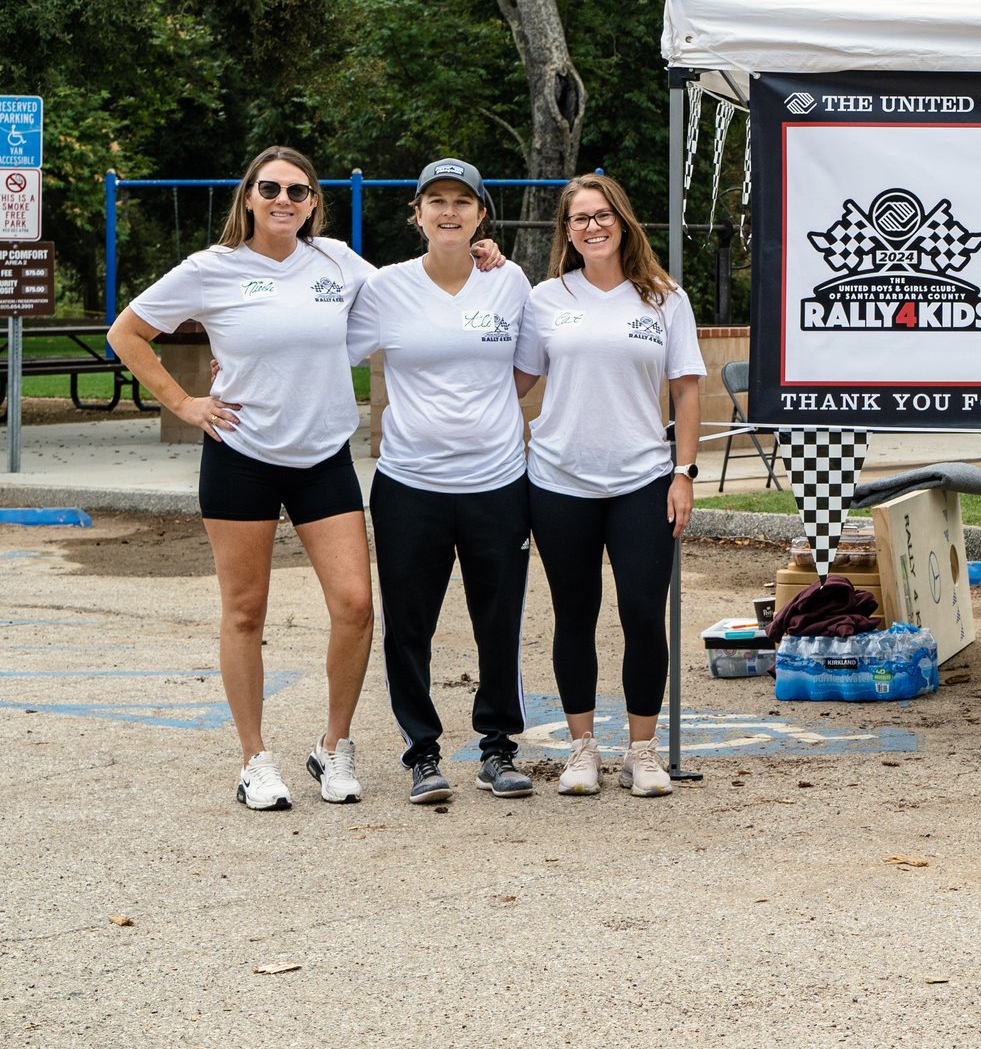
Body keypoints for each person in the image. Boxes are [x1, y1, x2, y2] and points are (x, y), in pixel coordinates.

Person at [106, 148, 380, 810]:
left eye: (298, 189)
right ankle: (255, 758)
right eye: (270, 187)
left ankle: (333, 746)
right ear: (249, 198)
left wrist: (481, 257)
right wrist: (184, 402)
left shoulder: (340, 263)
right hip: (240, 455)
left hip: (322, 456)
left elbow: (419, 286)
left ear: (314, 201)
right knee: (245, 609)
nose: (284, 198)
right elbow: (128, 332)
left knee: (355, 604)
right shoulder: (213, 268)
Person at [345, 159, 537, 805]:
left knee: (499, 619)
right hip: (409, 482)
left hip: (497, 481)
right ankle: (421, 751)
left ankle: (497, 747)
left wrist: (481, 413)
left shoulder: (508, 280)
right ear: (417, 213)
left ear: (482, 214)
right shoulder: (384, 287)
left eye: (462, 201)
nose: (449, 211)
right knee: (409, 623)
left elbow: (528, 366)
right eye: (436, 201)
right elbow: (326, 347)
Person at [516, 173, 704, 798]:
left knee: (644, 615)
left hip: (643, 481)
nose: (592, 227)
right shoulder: (544, 299)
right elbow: (513, 382)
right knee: (574, 615)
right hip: (559, 480)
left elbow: (685, 387)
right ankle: (581, 750)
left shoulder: (663, 299)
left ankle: (642, 751)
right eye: (579, 219)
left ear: (622, 221)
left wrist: (683, 472)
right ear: (565, 232)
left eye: (602, 216)